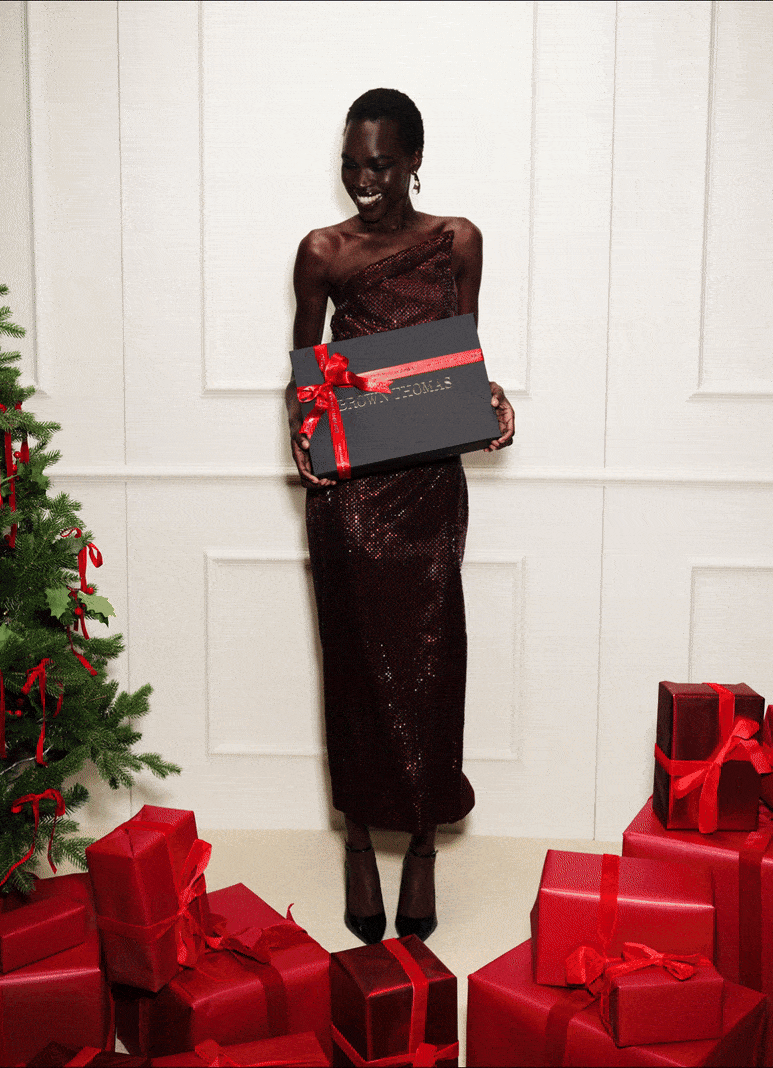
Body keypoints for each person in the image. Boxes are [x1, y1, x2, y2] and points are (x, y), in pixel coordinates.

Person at [285, 88, 515, 944]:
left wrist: (487, 400)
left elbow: (460, 357)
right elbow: (305, 372)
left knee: (429, 660)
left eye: (379, 163)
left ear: (415, 158)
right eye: (351, 164)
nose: (363, 180)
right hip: (348, 495)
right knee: (349, 660)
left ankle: (420, 842)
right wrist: (302, 431)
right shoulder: (322, 251)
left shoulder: (457, 241)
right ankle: (355, 836)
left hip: (427, 486)